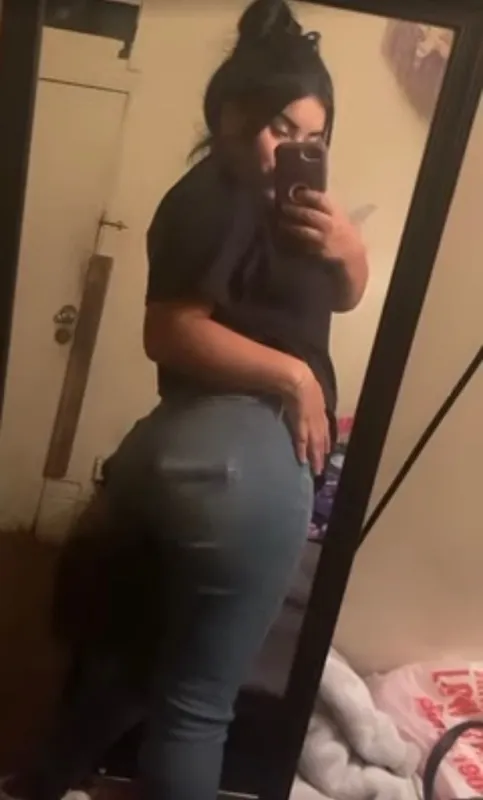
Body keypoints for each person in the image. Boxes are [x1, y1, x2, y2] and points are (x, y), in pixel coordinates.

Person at [1, 2, 368, 800]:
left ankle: (38, 783)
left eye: (313, 136)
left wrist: (348, 249)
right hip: (243, 461)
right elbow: (168, 332)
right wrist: (296, 378)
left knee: (134, 662)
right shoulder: (217, 194)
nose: (292, 149)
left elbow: (340, 298)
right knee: (196, 709)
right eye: (278, 126)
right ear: (229, 114)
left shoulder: (285, 206)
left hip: (168, 448)